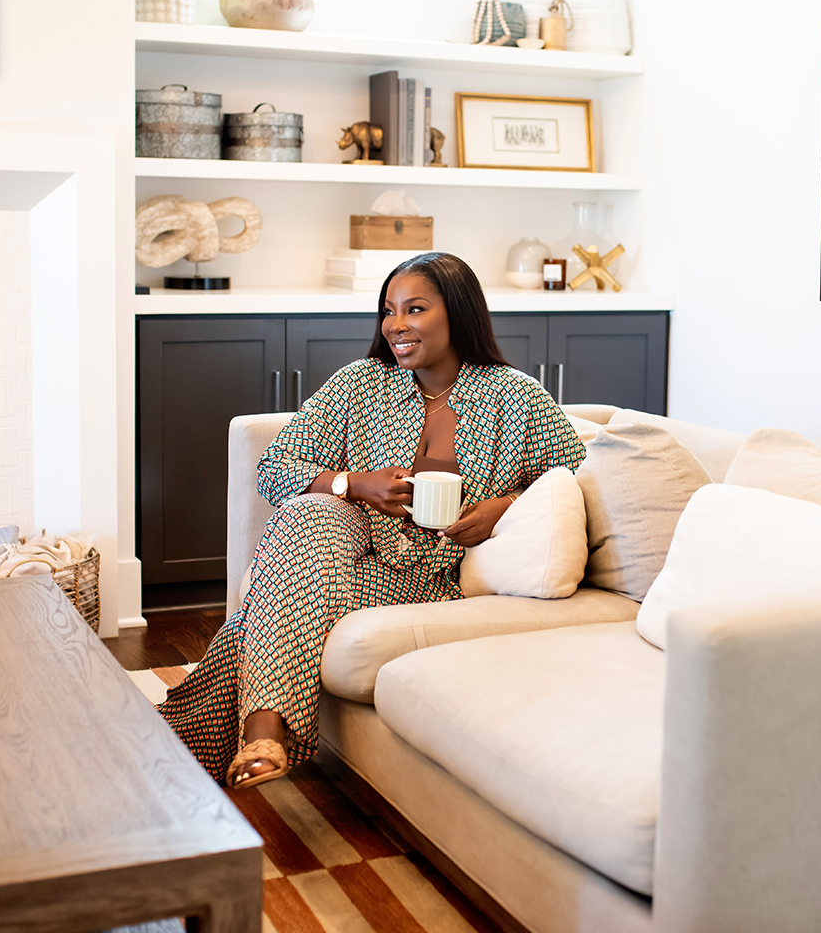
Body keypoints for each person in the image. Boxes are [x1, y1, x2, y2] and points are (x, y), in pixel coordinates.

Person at [158, 252, 586, 788]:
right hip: (359, 563)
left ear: (458, 313)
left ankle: (173, 750)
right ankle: (262, 736)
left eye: (415, 309)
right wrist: (353, 483)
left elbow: (572, 475)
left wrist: (505, 509)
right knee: (304, 516)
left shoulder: (517, 396)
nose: (396, 325)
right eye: (388, 310)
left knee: (265, 611)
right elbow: (276, 469)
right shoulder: (360, 384)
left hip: (445, 579)